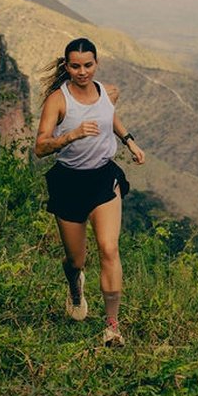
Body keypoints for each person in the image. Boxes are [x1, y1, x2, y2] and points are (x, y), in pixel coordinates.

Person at [35, 37, 145, 347]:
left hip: (103, 178)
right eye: (75, 66)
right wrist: (70, 135)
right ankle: (75, 286)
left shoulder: (108, 92)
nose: (82, 72)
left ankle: (112, 326)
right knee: (76, 260)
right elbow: (40, 147)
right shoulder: (58, 100)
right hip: (69, 182)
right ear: (66, 66)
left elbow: (108, 115)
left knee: (109, 248)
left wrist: (130, 141)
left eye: (87, 65)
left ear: (96, 64)